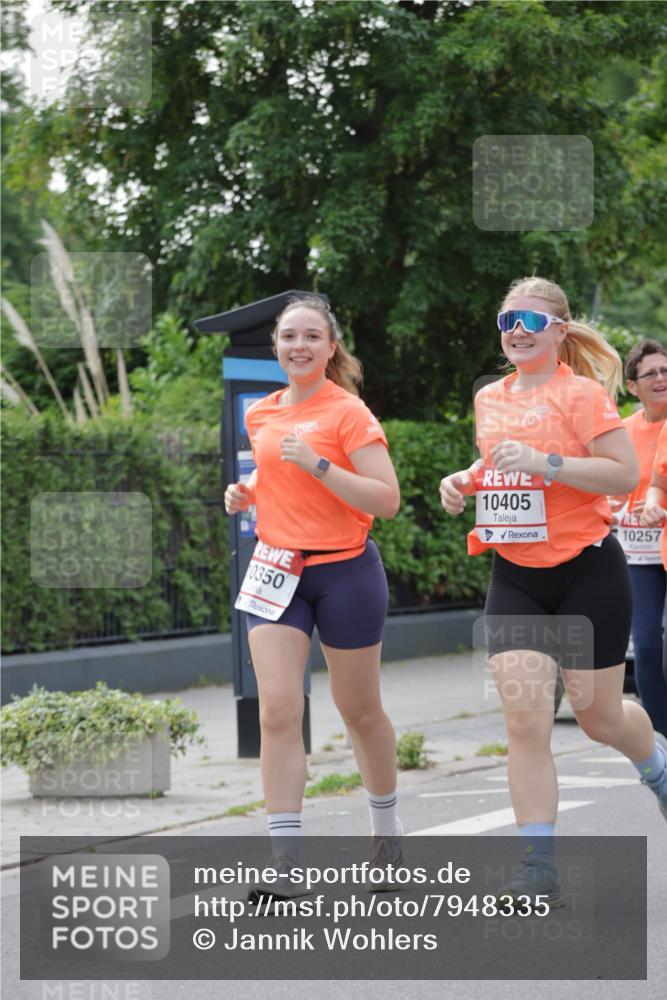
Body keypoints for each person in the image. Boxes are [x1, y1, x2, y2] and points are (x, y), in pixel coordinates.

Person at [439, 276, 667, 905]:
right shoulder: (491, 398)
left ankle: (658, 768)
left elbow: (623, 474)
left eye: (531, 321)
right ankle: (538, 868)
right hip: (514, 575)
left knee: (598, 717)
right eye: (507, 319)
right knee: (525, 721)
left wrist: (549, 465)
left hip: (587, 570)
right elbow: (496, 466)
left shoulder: (585, 396)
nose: (516, 329)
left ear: (559, 332)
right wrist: (464, 481)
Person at [224, 295, 402, 895]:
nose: (298, 346)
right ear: (277, 346)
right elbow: (275, 474)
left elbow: (386, 499)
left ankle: (387, 833)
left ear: (331, 347)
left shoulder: (348, 412)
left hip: (345, 572)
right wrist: (247, 491)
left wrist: (321, 466)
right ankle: (287, 866)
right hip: (277, 570)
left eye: (310, 337)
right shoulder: (264, 413)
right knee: (278, 710)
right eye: (288, 337)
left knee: (359, 711)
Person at [610, 339, 667, 738]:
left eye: (666, 371)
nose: (661, 379)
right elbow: (610, 488)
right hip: (638, 551)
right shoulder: (623, 431)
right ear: (632, 386)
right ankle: (661, 743)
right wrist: (620, 510)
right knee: (646, 648)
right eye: (651, 373)